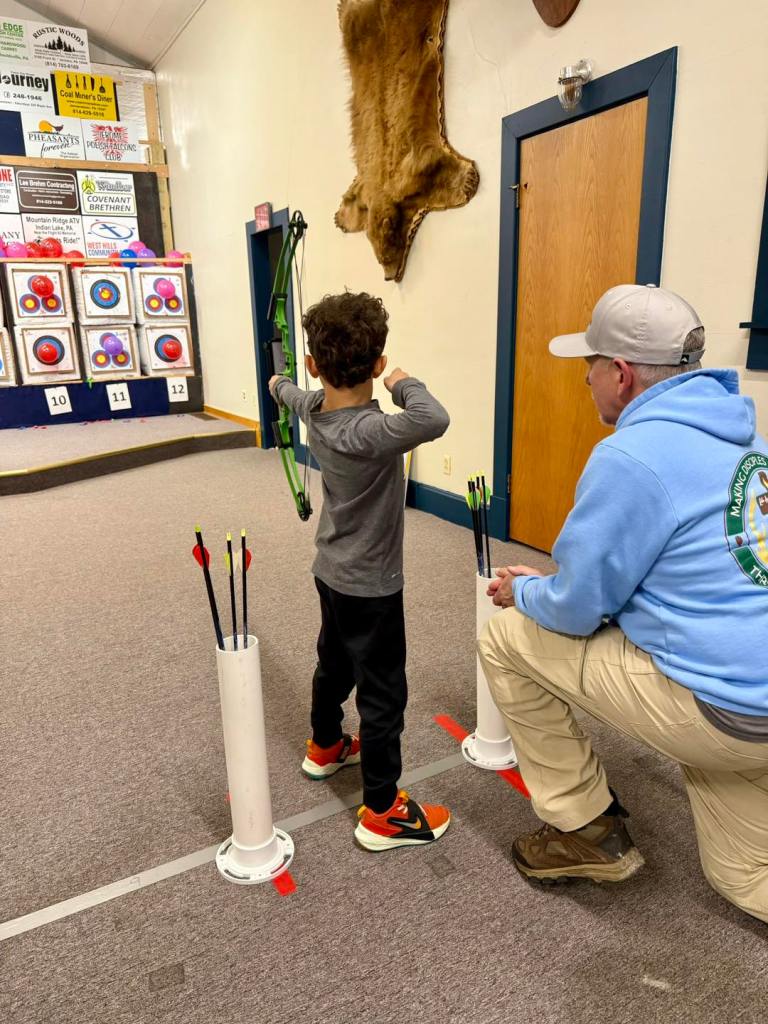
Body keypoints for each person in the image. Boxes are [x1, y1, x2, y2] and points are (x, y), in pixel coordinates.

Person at [478, 283, 768, 923]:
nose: (584, 379)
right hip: (760, 701)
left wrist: (524, 590)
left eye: (590, 364)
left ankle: (583, 831)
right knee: (742, 877)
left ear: (622, 373)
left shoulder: (631, 455)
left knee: (506, 639)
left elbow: (579, 608)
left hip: (722, 713)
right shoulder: (749, 443)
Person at [269, 290, 451, 851]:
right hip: (372, 585)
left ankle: (324, 745)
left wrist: (280, 381)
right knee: (383, 692)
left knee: (334, 659)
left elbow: (288, 390)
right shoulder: (374, 431)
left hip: (330, 570)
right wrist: (400, 379)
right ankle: (381, 810)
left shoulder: (313, 409)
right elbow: (433, 417)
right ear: (374, 363)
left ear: (315, 365)